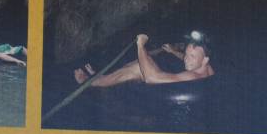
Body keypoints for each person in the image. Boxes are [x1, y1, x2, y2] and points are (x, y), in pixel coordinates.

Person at [74, 31, 215, 87]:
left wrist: (140, 45)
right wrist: (173, 51)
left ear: (205, 60)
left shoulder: (193, 76)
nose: (186, 59)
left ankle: (92, 82)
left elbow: (151, 78)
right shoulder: (206, 66)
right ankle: (103, 77)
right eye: (187, 54)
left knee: (137, 68)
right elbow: (186, 58)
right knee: (141, 61)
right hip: (177, 84)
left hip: (162, 91)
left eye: (192, 56)